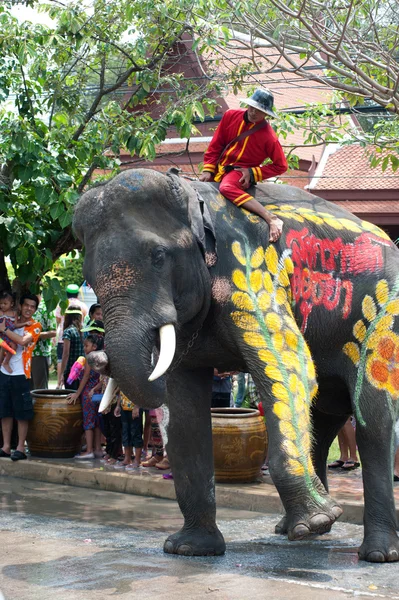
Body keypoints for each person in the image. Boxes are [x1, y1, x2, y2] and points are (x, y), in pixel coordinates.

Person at [199, 88, 287, 242]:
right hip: (220, 168)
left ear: (266, 114)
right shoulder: (230, 116)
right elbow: (216, 144)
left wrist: (252, 172)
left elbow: (281, 166)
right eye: (252, 107)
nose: (253, 112)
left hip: (240, 173)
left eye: (259, 110)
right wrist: (208, 169)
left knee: (226, 188)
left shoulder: (269, 137)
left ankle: (271, 218)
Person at [0, 293, 42, 461]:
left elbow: (23, 341)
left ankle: (20, 448)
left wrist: (5, 330)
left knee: (22, 413)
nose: (29, 309)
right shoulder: (11, 319)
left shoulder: (35, 326)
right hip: (4, 372)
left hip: (21, 374)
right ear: (20, 305)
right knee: (5, 411)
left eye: (33, 307)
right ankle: (6, 446)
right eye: (27, 305)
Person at [67, 333, 104, 459]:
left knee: (88, 421)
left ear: (94, 346)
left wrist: (78, 393)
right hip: (98, 392)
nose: (84, 348)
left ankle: (89, 450)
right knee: (97, 421)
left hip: (88, 393)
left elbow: (86, 376)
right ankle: (98, 449)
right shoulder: (102, 357)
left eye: (86, 345)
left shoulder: (89, 358)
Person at [55, 283, 88, 383]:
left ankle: (59, 382)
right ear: (78, 294)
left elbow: (58, 320)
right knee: (78, 358)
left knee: (61, 359)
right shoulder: (83, 306)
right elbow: (84, 319)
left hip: (63, 337)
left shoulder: (62, 304)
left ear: (67, 294)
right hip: (79, 335)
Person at [0, 291, 31, 374]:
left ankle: (6, 362)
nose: (2, 305)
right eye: (1, 303)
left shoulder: (14, 314)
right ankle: (2, 363)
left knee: (14, 346)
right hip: (1, 336)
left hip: (8, 336)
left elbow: (16, 325)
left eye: (5, 303)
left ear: (11, 304)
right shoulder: (0, 312)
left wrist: (25, 323)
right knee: (3, 347)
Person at [30, 296, 56, 390]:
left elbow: (53, 332)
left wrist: (35, 335)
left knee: (40, 389)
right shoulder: (23, 304)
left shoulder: (47, 308)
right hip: (24, 354)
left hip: (39, 354)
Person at [114, 391, 143, 470]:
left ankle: (137, 460)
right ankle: (127, 459)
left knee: (136, 433)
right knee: (126, 433)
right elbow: (120, 391)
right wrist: (118, 406)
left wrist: (137, 406)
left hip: (134, 408)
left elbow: (141, 391)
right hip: (124, 407)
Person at [58, 306, 84, 390]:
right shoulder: (85, 331)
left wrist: (61, 373)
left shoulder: (68, 331)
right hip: (82, 370)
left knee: (70, 397)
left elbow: (66, 354)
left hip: (71, 372)